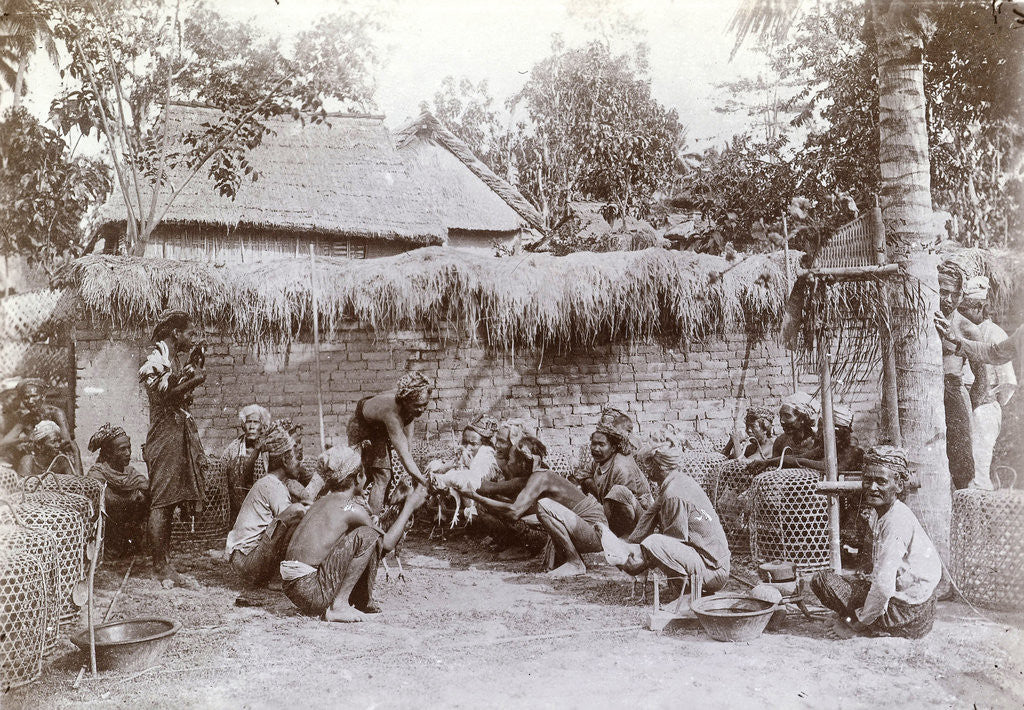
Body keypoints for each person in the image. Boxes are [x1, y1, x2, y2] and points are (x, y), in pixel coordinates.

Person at [280, 444, 428, 622]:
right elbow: (386, 543)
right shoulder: (351, 508)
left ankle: (355, 599)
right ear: (359, 477)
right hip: (311, 591)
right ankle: (339, 606)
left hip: (292, 588)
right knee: (367, 535)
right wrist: (409, 506)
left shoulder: (323, 501)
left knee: (363, 533)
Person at [810, 446, 941, 639]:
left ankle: (862, 624)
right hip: (916, 605)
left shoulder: (896, 520)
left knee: (822, 581)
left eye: (881, 481)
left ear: (899, 485)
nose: (872, 487)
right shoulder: (885, 513)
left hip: (908, 613)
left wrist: (857, 623)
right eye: (868, 480)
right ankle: (864, 620)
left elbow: (883, 586)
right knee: (838, 582)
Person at [467, 436, 609, 577]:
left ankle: (575, 563)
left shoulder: (540, 478)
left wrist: (476, 497)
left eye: (510, 459)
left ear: (522, 463)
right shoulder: (534, 477)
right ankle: (570, 559)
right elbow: (493, 489)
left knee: (544, 506)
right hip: (589, 530)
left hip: (595, 532)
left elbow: (514, 512)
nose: (508, 463)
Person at [607, 439, 731, 600]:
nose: (646, 469)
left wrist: (641, 560)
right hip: (710, 563)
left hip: (713, 571)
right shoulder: (675, 482)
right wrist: (629, 546)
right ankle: (681, 588)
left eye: (649, 465)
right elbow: (648, 516)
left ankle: (685, 593)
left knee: (654, 542)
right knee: (652, 542)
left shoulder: (673, 493)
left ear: (661, 467)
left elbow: (674, 542)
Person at [138, 309, 209, 586]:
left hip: (174, 435)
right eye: (190, 333)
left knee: (170, 502)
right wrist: (196, 379)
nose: (193, 338)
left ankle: (165, 564)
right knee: (162, 502)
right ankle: (160, 568)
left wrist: (190, 374)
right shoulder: (154, 359)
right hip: (164, 437)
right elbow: (164, 395)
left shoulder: (173, 360)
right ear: (176, 333)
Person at [225, 422, 310, 592]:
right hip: (248, 561)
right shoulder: (272, 485)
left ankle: (276, 576)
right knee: (296, 514)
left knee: (297, 513)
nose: (299, 464)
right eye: (297, 458)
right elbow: (292, 516)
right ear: (285, 460)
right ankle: (278, 578)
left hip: (245, 559)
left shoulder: (272, 483)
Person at [956, 276, 1016, 490]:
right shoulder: (962, 328)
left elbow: (1008, 381)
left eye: (967, 308)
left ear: (981, 307)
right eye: (960, 308)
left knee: (980, 467)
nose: (963, 313)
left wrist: (987, 399)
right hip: (963, 404)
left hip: (983, 409)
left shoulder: (995, 333)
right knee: (965, 468)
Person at [347, 371, 430, 514]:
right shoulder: (392, 414)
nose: (421, 409)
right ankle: (369, 522)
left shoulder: (409, 404)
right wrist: (424, 481)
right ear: (405, 401)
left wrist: (414, 476)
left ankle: (377, 514)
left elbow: (407, 447)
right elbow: (403, 455)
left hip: (378, 427)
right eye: (417, 405)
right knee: (363, 474)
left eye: (425, 404)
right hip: (361, 426)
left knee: (383, 476)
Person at [936, 261, 982, 490]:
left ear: (962, 295)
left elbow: (981, 374)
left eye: (955, 294)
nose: (949, 300)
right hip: (928, 393)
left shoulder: (967, 328)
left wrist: (968, 408)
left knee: (963, 469)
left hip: (953, 393)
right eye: (943, 292)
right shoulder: (920, 320)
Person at [578, 410, 653, 536]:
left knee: (617, 492)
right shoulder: (599, 460)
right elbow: (582, 474)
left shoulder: (621, 467)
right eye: (593, 444)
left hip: (640, 518)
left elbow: (625, 504)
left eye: (601, 444)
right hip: (611, 508)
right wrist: (592, 485)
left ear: (613, 448)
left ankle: (621, 538)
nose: (596, 449)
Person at [87, 423, 149, 556]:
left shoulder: (131, 472)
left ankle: (134, 544)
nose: (128, 453)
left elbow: (149, 489)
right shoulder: (98, 472)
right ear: (109, 453)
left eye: (129, 448)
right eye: (122, 449)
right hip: (108, 529)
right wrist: (131, 497)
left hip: (129, 526)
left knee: (144, 496)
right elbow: (102, 499)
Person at [1, 378, 74, 466]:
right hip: (37, 460)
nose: (30, 401)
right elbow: (4, 442)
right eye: (26, 398)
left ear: (43, 396)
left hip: (56, 459)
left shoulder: (56, 413)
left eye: (34, 396)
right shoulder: (26, 419)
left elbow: (66, 441)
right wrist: (26, 439)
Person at [222, 404, 272, 519]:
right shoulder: (233, 448)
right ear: (243, 426)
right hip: (238, 507)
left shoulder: (269, 448)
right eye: (249, 422)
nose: (252, 427)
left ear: (263, 427)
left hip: (263, 505)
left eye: (256, 422)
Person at [17, 419, 83, 477]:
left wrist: (76, 453)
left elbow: (78, 485)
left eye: (59, 441)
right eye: (53, 442)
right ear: (39, 445)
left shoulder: (61, 461)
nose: (58, 445)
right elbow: (22, 488)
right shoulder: (28, 461)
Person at [772, 392, 818, 457]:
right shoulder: (780, 442)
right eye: (781, 416)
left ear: (802, 418)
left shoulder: (817, 441)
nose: (782, 421)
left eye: (787, 416)